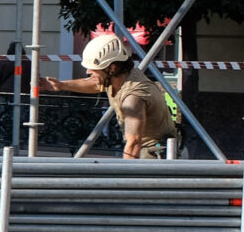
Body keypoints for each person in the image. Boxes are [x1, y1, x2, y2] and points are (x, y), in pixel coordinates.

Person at [40, 29, 178, 158]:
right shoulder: (118, 77)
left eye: (94, 69)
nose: (88, 72)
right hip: (146, 147)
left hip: (152, 153)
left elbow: (134, 143)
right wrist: (61, 85)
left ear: (111, 67)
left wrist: (122, 181)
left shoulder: (133, 98)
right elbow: (95, 84)